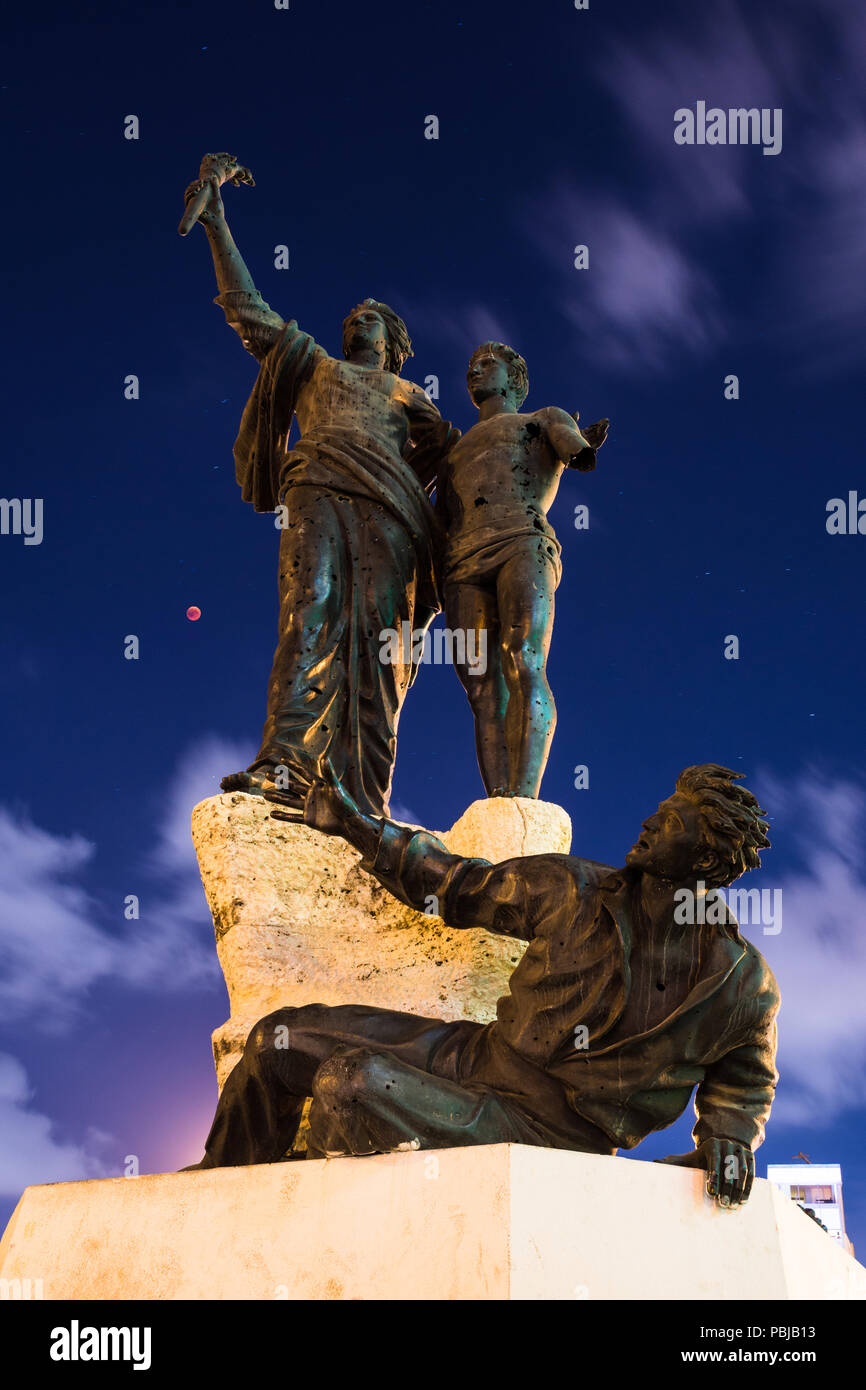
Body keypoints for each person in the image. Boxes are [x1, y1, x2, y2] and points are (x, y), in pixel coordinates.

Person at [188, 762, 778, 1209]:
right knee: (277, 1039)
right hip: (476, 1055)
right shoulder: (576, 888)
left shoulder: (741, 984)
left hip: (548, 1134)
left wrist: (729, 1137)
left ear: (705, 860)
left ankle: (307, 1234)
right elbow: (456, 885)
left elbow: (744, 1081)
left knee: (352, 1083)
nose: (650, 821)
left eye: (671, 821)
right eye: (660, 809)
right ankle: (209, 1198)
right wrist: (356, 825)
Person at [184, 160, 456, 815]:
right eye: (353, 318)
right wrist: (219, 224)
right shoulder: (311, 364)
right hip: (317, 491)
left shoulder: (412, 396)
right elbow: (250, 314)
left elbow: (463, 465)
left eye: (372, 320)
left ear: (395, 344)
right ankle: (286, 765)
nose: (357, 323)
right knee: (309, 612)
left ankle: (362, 800)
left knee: (380, 646)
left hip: (394, 516)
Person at [437, 342, 609, 797]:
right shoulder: (453, 449)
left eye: (487, 364)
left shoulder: (543, 418)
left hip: (522, 538)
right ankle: (499, 800)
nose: (475, 370)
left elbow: (577, 451)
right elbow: (438, 518)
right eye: (471, 365)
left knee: (524, 657)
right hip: (461, 562)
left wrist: (579, 442)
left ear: (515, 378)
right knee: (480, 685)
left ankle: (525, 797)